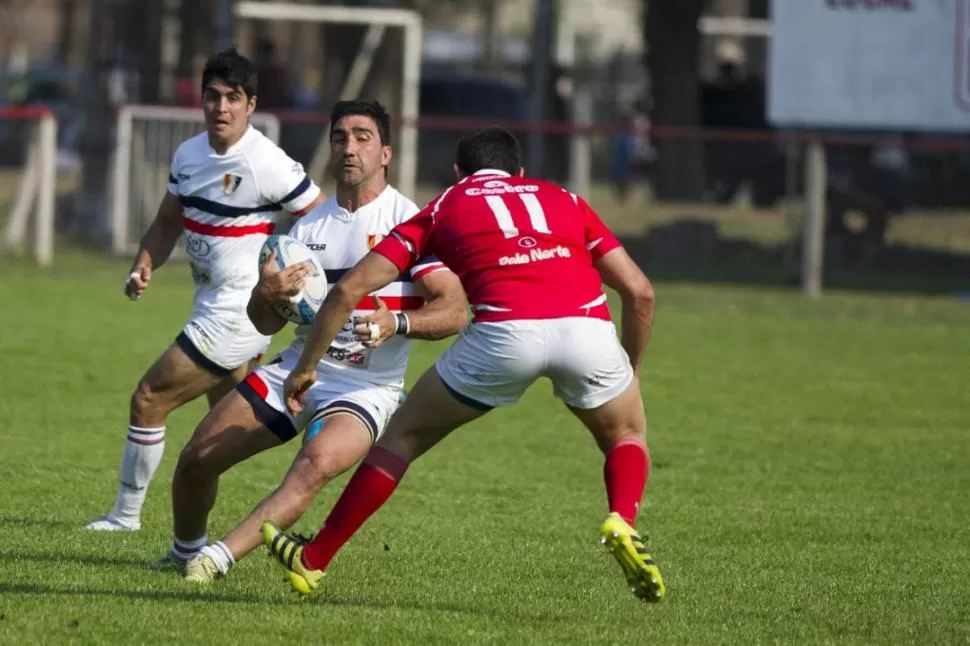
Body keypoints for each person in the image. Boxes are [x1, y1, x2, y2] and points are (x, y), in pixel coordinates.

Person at [262, 125, 666, 602]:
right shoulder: (567, 200)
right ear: (520, 173)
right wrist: (629, 372)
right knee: (626, 433)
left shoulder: (444, 205)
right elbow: (640, 292)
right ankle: (622, 517)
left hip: (502, 336)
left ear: (458, 172)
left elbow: (350, 289)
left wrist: (307, 366)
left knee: (402, 438)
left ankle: (314, 560)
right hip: (585, 330)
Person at [146, 100, 467, 577]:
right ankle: (184, 550)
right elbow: (265, 323)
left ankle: (216, 559)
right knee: (197, 458)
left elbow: (455, 310)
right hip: (297, 369)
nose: (349, 147)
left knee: (314, 464)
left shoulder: (410, 223)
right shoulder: (306, 228)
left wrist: (397, 324)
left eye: (363, 137)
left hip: (367, 389)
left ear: (386, 154)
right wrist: (265, 292)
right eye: (340, 137)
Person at [84, 49, 324, 532]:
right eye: (213, 96)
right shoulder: (188, 155)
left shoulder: (266, 163)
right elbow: (168, 219)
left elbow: (320, 219)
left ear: (251, 104)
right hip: (208, 302)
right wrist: (144, 262)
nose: (221, 108)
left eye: (233, 98)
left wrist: (297, 280)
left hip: (238, 313)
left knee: (149, 398)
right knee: (217, 441)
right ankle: (314, 441)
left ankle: (125, 517)